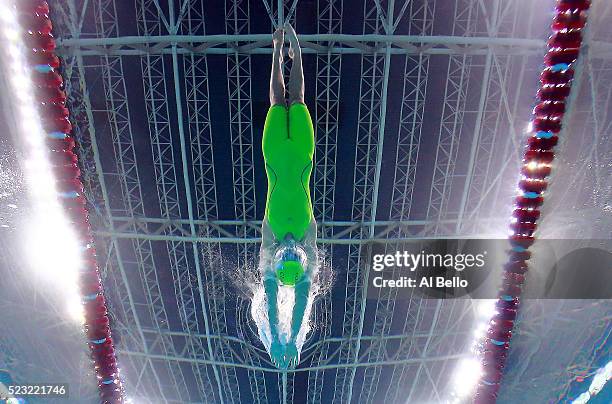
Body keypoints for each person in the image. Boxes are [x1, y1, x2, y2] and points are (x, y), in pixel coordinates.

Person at [258, 22, 318, 369]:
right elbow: (300, 299)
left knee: (275, 101)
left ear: (279, 258)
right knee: (296, 99)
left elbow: (270, 300)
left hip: (274, 153)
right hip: (303, 153)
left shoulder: (270, 238)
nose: (292, 247)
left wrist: (280, 341)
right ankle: (291, 47)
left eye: (287, 255)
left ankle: (276, 52)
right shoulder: (309, 237)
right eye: (297, 253)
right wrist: (293, 339)